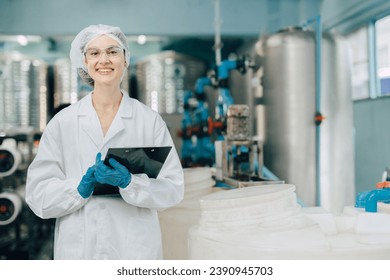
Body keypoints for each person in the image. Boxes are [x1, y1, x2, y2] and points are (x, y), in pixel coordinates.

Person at [25, 24, 184, 260]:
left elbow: (173, 189)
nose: (104, 60)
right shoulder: (63, 122)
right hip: (79, 251)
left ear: (126, 59)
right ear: (85, 62)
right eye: (95, 53)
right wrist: (78, 188)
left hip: (134, 252)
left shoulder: (149, 121)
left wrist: (131, 183)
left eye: (113, 51)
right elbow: (38, 195)